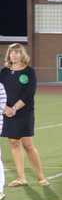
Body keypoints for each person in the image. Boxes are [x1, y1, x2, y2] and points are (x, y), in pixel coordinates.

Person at [0, 43, 49, 188]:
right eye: (11, 53)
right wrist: (5, 108)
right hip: (7, 112)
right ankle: (21, 178)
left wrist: (14, 108)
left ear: (22, 55)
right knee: (14, 143)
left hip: (24, 112)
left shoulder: (29, 72)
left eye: (17, 52)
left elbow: (29, 94)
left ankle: (41, 177)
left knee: (28, 145)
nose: (13, 55)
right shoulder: (4, 72)